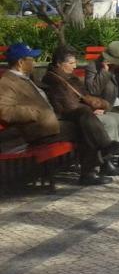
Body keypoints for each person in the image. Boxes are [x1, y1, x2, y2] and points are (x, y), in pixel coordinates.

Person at [0, 43, 111, 186]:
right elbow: (4, 110)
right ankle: (94, 166)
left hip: (50, 123)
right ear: (21, 62)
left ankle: (101, 154)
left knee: (83, 115)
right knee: (83, 128)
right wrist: (35, 113)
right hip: (37, 130)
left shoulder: (26, 78)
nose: (34, 62)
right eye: (31, 59)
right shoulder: (7, 82)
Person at [43, 46, 119, 177]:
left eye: (75, 62)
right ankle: (106, 161)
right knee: (109, 121)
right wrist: (104, 73)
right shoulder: (54, 79)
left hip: (87, 109)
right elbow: (76, 100)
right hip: (73, 114)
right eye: (71, 63)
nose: (75, 66)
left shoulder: (69, 77)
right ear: (59, 64)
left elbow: (85, 95)